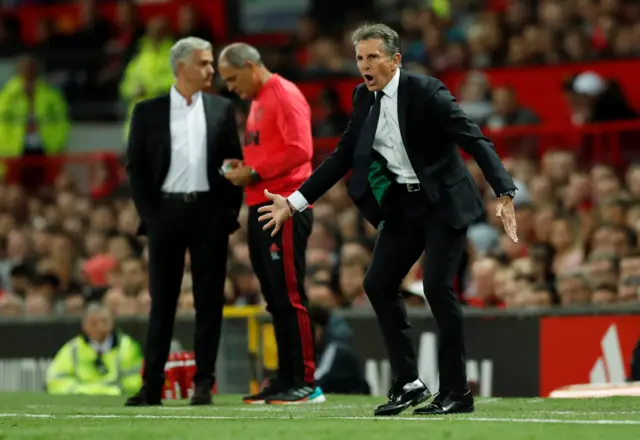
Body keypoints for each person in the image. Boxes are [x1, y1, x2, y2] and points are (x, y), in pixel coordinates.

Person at [257, 23, 518, 416]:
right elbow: (342, 156)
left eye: (373, 57)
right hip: (404, 206)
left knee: (436, 287)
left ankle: (457, 392)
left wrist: (504, 191)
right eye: (360, 57)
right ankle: (410, 382)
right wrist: (294, 203)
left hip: (444, 203)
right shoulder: (362, 97)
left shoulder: (426, 91)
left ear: (395, 60)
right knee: (377, 283)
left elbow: (473, 138)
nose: (365, 64)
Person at [125, 37, 243, 406]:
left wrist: (227, 213)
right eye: (205, 63)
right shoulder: (147, 111)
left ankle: (204, 383)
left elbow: (233, 163)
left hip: (209, 213)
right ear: (181, 68)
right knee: (162, 301)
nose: (212, 70)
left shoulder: (221, 109)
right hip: (166, 213)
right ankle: (152, 386)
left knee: (210, 300)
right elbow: (136, 167)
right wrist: (150, 215)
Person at [217, 43, 322, 404]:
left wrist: (256, 170)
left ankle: (306, 380)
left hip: (285, 204)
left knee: (289, 294)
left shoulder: (283, 94)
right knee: (275, 296)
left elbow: (301, 150)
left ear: (250, 65)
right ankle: (286, 377)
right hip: (261, 204)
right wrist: (243, 164)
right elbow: (271, 150)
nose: (230, 87)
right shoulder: (259, 101)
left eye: (232, 78)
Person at [46, 303, 143, 396]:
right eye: (93, 323)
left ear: (112, 323)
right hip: (81, 401)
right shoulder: (72, 349)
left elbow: (135, 382)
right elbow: (55, 381)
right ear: (84, 325)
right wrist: (84, 391)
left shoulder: (127, 347)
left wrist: (115, 391)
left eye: (104, 321)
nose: (99, 327)